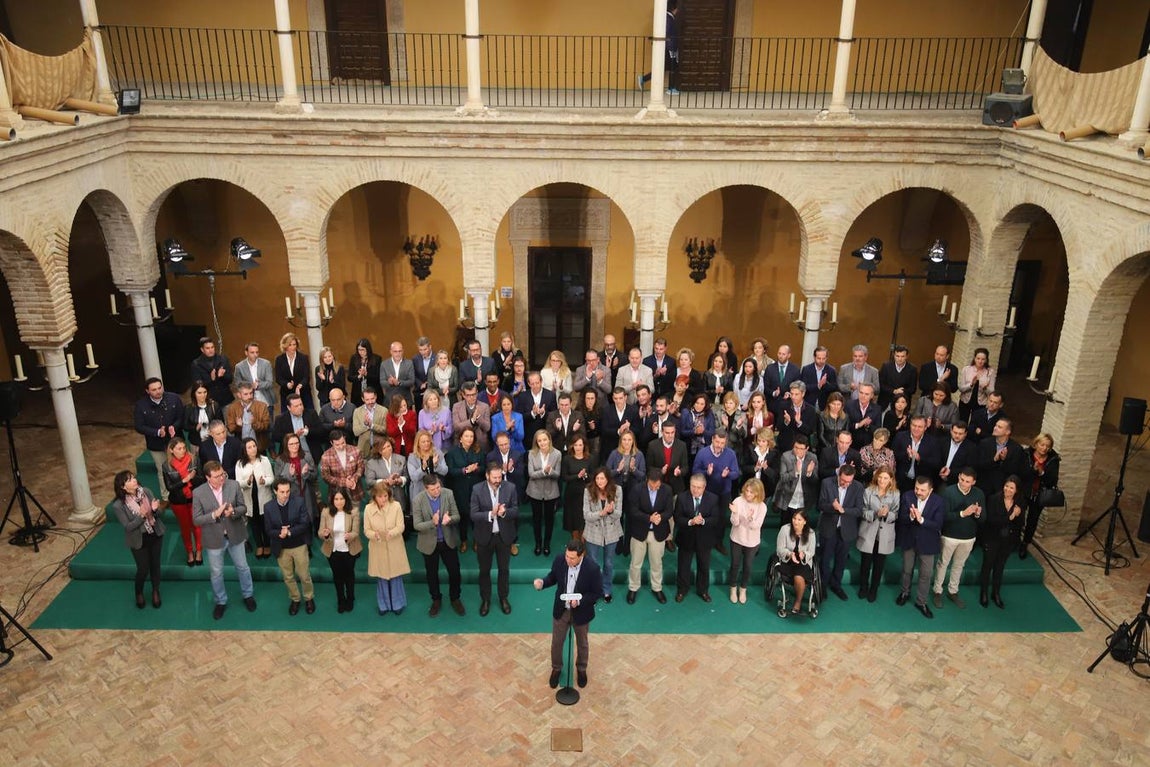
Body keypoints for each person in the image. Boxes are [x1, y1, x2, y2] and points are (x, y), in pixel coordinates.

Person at [534, 539, 605, 689]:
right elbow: (553, 577)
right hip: (562, 610)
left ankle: (581, 669)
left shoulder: (592, 568)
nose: (568, 560)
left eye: (572, 558)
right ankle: (556, 668)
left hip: (581, 612)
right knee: (557, 642)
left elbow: (597, 593)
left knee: (582, 644)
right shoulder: (560, 560)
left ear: (581, 555)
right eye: (567, 556)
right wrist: (542, 583)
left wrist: (579, 601)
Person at [192, 460, 256, 620]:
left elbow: (243, 507)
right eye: (217, 476)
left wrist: (233, 511)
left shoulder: (233, 485)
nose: (221, 478)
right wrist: (215, 514)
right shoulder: (198, 493)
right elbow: (196, 519)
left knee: (243, 567)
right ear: (208, 477)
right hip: (214, 539)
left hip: (235, 534)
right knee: (216, 572)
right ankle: (220, 601)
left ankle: (248, 595)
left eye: (222, 474)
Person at [411, 473, 465, 616]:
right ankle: (436, 599)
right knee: (432, 574)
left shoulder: (448, 493)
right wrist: (432, 522)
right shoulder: (418, 500)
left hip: (448, 541)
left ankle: (455, 598)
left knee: (454, 572)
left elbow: (457, 516)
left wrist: (450, 519)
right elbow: (416, 525)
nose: (437, 491)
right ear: (425, 488)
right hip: (429, 544)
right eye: (433, 489)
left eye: (438, 487)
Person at [470, 463, 519, 616]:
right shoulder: (477, 489)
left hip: (504, 537)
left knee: (504, 570)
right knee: (484, 571)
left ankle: (503, 598)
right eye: (495, 477)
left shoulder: (510, 488)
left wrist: (504, 513)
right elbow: (473, 514)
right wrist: (491, 514)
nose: (498, 480)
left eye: (500, 477)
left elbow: (516, 510)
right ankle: (485, 600)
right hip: (484, 538)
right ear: (487, 476)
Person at [111, 470, 166, 609]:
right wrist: (141, 516)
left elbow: (159, 513)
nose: (134, 480)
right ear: (123, 487)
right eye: (129, 480)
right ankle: (139, 592)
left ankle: (155, 590)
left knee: (155, 564)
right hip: (138, 539)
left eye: (133, 477)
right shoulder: (118, 505)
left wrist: (154, 510)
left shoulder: (146, 491)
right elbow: (128, 527)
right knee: (143, 568)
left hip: (155, 533)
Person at [933, 466, 984, 609]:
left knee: (959, 565)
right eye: (962, 479)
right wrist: (963, 513)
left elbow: (983, 519)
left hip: (968, 537)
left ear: (973, 482)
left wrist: (978, 514)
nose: (963, 483)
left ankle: (953, 591)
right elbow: (944, 516)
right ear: (959, 476)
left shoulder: (979, 494)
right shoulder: (948, 492)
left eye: (967, 481)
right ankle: (937, 590)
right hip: (949, 536)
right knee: (943, 563)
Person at [895, 475, 945, 618]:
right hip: (909, 540)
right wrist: (911, 517)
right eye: (917, 488)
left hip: (928, 543)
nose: (918, 492)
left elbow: (938, 524)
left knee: (925, 574)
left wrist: (921, 519)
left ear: (930, 490)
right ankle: (905, 592)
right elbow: (901, 518)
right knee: (906, 570)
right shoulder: (907, 496)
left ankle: (921, 602)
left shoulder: (939, 501)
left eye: (922, 490)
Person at [263, 478, 315, 615]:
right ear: (275, 491)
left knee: (304, 575)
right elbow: (268, 529)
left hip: (298, 545)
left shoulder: (299, 502)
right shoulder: (268, 507)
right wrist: (280, 533)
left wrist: (289, 532)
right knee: (288, 576)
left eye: (287, 491)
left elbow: (305, 524)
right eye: (282, 492)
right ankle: (295, 599)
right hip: (281, 547)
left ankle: (309, 598)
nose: (285, 494)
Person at [625, 467, 673, 604]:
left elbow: (669, 510)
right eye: (652, 485)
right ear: (647, 481)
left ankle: (657, 588)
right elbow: (632, 511)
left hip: (658, 532)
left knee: (657, 563)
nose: (654, 487)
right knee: (635, 563)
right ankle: (633, 588)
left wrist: (660, 517)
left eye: (657, 485)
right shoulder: (637, 489)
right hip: (639, 532)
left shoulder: (667, 490)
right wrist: (649, 518)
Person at [134, 377, 185, 503]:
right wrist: (156, 432)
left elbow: (181, 416)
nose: (158, 391)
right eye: (154, 390)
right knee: (162, 470)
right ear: (147, 391)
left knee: (182, 466)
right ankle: (166, 496)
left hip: (175, 441)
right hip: (156, 444)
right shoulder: (141, 406)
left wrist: (175, 426)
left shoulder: (174, 398)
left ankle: (185, 491)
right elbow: (139, 426)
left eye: (159, 388)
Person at [817, 464, 864, 601]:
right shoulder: (827, 483)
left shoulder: (858, 487)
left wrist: (843, 510)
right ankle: (822, 586)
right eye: (844, 481)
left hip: (847, 531)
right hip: (828, 528)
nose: (846, 484)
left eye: (849, 481)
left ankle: (836, 585)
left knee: (841, 561)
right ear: (839, 475)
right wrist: (832, 507)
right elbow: (820, 505)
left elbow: (859, 510)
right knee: (825, 560)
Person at [363, 481, 411, 615]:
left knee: (395, 576)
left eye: (385, 496)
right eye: (379, 496)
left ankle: (398, 604)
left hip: (394, 544)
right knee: (382, 577)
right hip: (377, 546)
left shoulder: (396, 506)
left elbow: (401, 526)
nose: (383, 499)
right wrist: (375, 535)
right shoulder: (368, 509)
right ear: (374, 497)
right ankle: (383, 605)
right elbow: (366, 530)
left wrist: (391, 533)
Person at [979, 476, 1025, 608]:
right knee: (987, 566)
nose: (1008, 489)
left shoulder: (1020, 501)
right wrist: (1010, 517)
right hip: (992, 538)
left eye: (1012, 488)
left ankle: (996, 593)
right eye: (1007, 486)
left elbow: (1021, 523)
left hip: (1008, 541)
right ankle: (984, 593)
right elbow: (991, 520)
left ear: (1016, 490)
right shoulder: (993, 499)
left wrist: (1018, 515)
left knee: (1000, 567)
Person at [673, 473, 719, 603]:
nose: (696, 490)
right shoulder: (682, 498)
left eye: (699, 487)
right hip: (686, 538)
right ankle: (682, 590)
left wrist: (702, 521)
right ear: (690, 485)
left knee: (704, 566)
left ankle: (703, 590)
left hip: (705, 539)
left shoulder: (713, 498)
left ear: (704, 487)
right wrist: (691, 522)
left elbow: (715, 519)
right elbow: (677, 518)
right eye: (693, 486)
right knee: (683, 566)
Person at [856, 467, 900, 603]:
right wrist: (876, 514)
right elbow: (862, 511)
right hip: (869, 531)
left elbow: (896, 514)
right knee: (865, 563)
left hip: (885, 533)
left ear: (891, 479)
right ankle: (863, 587)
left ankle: (874, 589)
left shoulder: (896, 493)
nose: (882, 480)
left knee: (879, 565)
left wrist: (887, 514)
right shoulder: (868, 491)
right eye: (880, 477)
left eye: (886, 478)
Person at [693, 430, 740, 554]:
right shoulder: (703, 453)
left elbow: (736, 473)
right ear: (712, 439)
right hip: (707, 492)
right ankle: (704, 541)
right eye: (717, 442)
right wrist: (706, 473)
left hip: (724, 492)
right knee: (705, 516)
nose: (719, 445)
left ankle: (718, 542)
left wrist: (728, 474)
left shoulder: (731, 454)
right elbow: (695, 471)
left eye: (722, 443)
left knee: (721, 519)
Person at [582, 467, 623, 602]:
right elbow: (586, 515)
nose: (600, 481)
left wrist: (610, 512)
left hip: (611, 532)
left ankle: (607, 590)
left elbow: (618, 514)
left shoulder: (617, 490)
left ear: (608, 479)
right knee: (593, 564)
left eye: (603, 478)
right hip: (593, 532)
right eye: (597, 478)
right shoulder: (588, 491)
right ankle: (594, 591)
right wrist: (601, 513)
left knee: (608, 563)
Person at [318, 487, 362, 613]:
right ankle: (340, 600)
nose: (339, 502)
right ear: (332, 500)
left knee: (349, 575)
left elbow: (356, 532)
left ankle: (350, 598)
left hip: (349, 549)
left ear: (346, 499)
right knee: (337, 577)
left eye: (341, 498)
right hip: (333, 550)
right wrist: (325, 534)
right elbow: (320, 532)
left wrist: (350, 535)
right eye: (336, 499)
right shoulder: (326, 512)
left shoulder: (353, 511)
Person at [161, 437, 203, 567]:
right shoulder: (166, 466)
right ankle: (190, 552)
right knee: (185, 528)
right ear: (172, 450)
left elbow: (202, 480)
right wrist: (184, 481)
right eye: (179, 448)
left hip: (194, 498)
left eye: (184, 447)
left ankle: (199, 551)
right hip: (178, 502)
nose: (183, 450)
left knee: (197, 526)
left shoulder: (194, 459)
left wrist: (193, 478)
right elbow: (170, 488)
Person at [727, 477, 768, 605]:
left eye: (752, 492)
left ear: (758, 493)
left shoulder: (762, 506)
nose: (748, 494)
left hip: (752, 541)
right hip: (737, 538)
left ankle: (743, 589)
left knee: (748, 566)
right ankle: (733, 588)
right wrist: (734, 513)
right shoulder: (738, 501)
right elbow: (735, 523)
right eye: (747, 491)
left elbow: (756, 526)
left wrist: (749, 518)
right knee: (735, 564)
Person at [1020, 432, 1061, 558]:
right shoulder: (1026, 454)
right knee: (1018, 516)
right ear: (1036, 443)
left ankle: (1025, 543)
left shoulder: (1053, 460)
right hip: (1025, 491)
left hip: (1039, 494)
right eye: (1042, 445)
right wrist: (1033, 470)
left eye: (1047, 446)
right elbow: (1021, 473)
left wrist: (1042, 472)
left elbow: (1053, 480)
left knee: (1032, 520)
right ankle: (1013, 540)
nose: (1044, 448)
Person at [446, 427, 485, 554]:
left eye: (471, 436)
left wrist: (476, 469)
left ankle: (476, 540)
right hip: (460, 488)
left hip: (476, 488)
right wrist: (464, 470)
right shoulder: (452, 453)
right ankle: (463, 540)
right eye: (466, 436)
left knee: (476, 515)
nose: (469, 439)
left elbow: (484, 468)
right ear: (461, 438)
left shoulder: (479, 451)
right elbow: (450, 471)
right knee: (462, 515)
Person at [236, 436, 275, 560]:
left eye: (254, 446)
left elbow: (271, 478)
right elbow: (238, 483)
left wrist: (265, 481)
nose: (253, 449)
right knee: (254, 524)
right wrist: (247, 482)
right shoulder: (239, 464)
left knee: (265, 523)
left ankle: (267, 544)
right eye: (249, 447)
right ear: (244, 450)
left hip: (264, 497)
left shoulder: (264, 460)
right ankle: (259, 545)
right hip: (249, 499)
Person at [527, 429, 562, 556]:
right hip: (534, 491)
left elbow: (557, 475)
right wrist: (544, 472)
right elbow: (531, 474)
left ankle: (546, 544)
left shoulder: (557, 454)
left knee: (549, 520)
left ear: (549, 440)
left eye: (544, 440)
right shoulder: (531, 453)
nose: (542, 443)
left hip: (551, 492)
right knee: (536, 519)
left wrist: (550, 472)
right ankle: (538, 543)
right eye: (539, 440)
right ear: (536, 442)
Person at [776, 509, 817, 616]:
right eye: (794, 518)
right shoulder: (785, 529)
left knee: (799, 575)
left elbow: (811, 552)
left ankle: (798, 602)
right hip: (788, 561)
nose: (796, 522)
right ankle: (798, 601)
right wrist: (790, 554)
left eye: (799, 519)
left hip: (803, 562)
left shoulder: (811, 533)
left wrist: (804, 554)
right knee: (796, 574)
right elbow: (779, 549)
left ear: (805, 521)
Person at [273, 433, 318, 529]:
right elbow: (277, 482)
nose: (295, 446)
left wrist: (306, 474)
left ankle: (309, 540)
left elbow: (315, 476)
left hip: (307, 494)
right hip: (291, 496)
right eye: (291, 444)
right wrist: (290, 475)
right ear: (286, 445)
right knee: (295, 521)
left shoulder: (307, 456)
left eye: (297, 443)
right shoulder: (280, 460)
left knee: (309, 519)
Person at [773, 434, 818, 523]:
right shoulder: (786, 456)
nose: (797, 451)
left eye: (801, 449)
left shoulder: (812, 458)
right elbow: (783, 478)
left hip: (803, 500)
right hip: (787, 498)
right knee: (785, 527)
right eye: (796, 447)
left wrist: (809, 473)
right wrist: (796, 472)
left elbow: (815, 480)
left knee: (800, 530)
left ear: (807, 448)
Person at [638, 0, 680, 94]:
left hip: (668, 47)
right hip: (669, 47)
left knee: (664, 67)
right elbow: (666, 32)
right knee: (671, 67)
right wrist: (670, 46)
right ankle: (671, 88)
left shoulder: (667, 17)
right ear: (674, 9)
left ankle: (644, 79)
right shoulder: (668, 18)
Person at [975, 418, 1026, 495]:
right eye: (995, 425)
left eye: (999, 427)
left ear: (1008, 432)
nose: (995, 428)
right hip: (983, 487)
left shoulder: (1016, 448)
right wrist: (994, 459)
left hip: (1002, 490)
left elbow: (1016, 471)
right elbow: (978, 465)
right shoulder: (984, 443)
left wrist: (1004, 460)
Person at [892, 415, 942, 493]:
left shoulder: (933, 442)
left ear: (925, 428)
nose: (916, 429)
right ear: (910, 425)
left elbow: (936, 463)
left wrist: (919, 459)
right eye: (914, 425)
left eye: (920, 427)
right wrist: (906, 455)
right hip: (901, 481)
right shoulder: (900, 436)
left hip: (921, 483)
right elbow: (893, 456)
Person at [270, 393, 324, 461]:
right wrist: (293, 436)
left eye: (301, 404)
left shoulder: (311, 414)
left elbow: (321, 431)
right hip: (290, 457)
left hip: (311, 454)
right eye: (296, 406)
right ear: (289, 407)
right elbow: (276, 437)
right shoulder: (281, 419)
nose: (300, 407)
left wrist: (308, 432)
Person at [365, 436, 409, 519]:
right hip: (381, 499)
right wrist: (384, 481)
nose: (388, 449)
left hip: (399, 498)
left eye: (389, 446)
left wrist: (400, 480)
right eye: (384, 448)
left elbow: (407, 477)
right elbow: (369, 481)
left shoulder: (401, 459)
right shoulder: (371, 463)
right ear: (379, 451)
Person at [320, 429, 365, 506]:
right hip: (337, 494)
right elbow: (326, 477)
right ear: (331, 443)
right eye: (337, 445)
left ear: (344, 438)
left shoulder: (355, 450)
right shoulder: (326, 456)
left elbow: (361, 468)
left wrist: (354, 478)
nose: (341, 446)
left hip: (355, 491)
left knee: (355, 515)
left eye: (343, 443)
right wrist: (344, 482)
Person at [224, 382, 271, 454]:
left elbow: (266, 426)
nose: (249, 396)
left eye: (251, 393)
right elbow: (230, 428)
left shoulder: (262, 406)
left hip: (259, 446)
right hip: (241, 446)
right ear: (239, 395)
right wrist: (238, 426)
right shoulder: (232, 408)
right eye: (246, 394)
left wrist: (255, 423)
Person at [562, 435, 593, 541]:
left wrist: (585, 476)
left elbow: (594, 477)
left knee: (583, 521)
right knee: (573, 521)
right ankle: (575, 544)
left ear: (584, 446)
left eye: (580, 445)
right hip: (571, 495)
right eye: (576, 445)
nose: (578, 447)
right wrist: (577, 476)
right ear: (572, 446)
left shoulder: (590, 459)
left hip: (585, 495)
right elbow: (564, 477)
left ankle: (582, 546)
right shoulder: (567, 459)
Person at [516, 370, 558, 448]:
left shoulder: (550, 395)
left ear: (541, 382)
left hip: (546, 434)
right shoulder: (522, 396)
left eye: (537, 383)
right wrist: (532, 413)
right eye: (532, 384)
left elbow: (554, 415)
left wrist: (543, 413)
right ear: (528, 384)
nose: (535, 386)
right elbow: (519, 416)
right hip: (529, 436)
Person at [774, 381, 817, 453]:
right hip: (785, 446)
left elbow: (810, 431)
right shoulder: (783, 406)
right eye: (792, 394)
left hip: (802, 448)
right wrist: (786, 422)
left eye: (796, 394)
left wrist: (799, 423)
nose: (793, 397)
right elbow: (778, 427)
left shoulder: (810, 409)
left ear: (803, 394)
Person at [190, 337, 233, 408]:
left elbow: (230, 379)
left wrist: (222, 376)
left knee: (228, 418)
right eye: (207, 348)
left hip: (225, 399)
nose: (211, 350)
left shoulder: (223, 359)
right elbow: (197, 385)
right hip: (209, 400)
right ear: (202, 350)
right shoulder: (196, 364)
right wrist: (211, 380)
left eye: (212, 347)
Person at [274, 332, 311, 413]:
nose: (292, 347)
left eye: (294, 344)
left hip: (303, 393)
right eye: (290, 345)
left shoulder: (303, 358)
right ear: (284, 345)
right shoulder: (279, 359)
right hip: (286, 394)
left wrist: (300, 386)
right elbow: (278, 378)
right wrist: (287, 384)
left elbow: (306, 376)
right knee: (287, 419)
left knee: (307, 415)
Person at [957, 347, 996, 423]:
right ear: (974, 358)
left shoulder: (990, 372)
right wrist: (971, 384)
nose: (980, 361)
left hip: (981, 402)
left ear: (986, 360)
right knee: (962, 422)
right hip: (965, 401)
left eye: (983, 359)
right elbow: (961, 388)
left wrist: (985, 388)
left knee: (976, 423)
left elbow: (992, 392)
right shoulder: (966, 369)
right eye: (978, 358)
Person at [234, 342, 276, 409]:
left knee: (269, 419)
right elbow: (238, 384)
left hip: (266, 401)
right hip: (248, 403)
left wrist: (258, 385)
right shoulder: (239, 367)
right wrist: (251, 386)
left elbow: (270, 382)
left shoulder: (266, 364)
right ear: (246, 353)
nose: (255, 355)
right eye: (252, 352)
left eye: (257, 352)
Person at [453, 381, 492, 452]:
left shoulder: (484, 406)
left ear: (477, 393)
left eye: (474, 394)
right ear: (463, 395)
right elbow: (456, 427)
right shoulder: (456, 407)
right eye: (468, 395)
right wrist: (471, 421)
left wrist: (478, 418)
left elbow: (487, 428)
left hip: (480, 445)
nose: (471, 397)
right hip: (461, 445)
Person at [600, 387, 638, 460]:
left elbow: (638, 430)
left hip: (629, 450)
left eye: (620, 398)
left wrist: (628, 429)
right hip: (610, 449)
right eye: (616, 398)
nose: (618, 401)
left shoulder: (633, 410)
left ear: (625, 397)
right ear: (613, 398)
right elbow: (604, 430)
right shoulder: (606, 410)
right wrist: (618, 431)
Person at [183, 380, 223, 449]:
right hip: (196, 443)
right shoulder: (189, 408)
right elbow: (185, 425)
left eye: (205, 392)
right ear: (194, 394)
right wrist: (195, 427)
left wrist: (213, 429)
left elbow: (221, 422)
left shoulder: (214, 405)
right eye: (199, 393)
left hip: (213, 441)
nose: (203, 395)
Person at [878, 345, 918, 413]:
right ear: (894, 355)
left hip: (903, 403)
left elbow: (913, 389)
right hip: (885, 402)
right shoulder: (886, 366)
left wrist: (901, 392)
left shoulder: (912, 369)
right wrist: (894, 391)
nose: (900, 359)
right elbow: (881, 384)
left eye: (902, 356)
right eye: (897, 356)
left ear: (907, 356)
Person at [740, 428, 779, 499]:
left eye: (763, 441)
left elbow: (775, 475)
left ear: (769, 441)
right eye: (759, 440)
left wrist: (766, 468)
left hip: (765, 490)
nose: (760, 443)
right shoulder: (749, 449)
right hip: (748, 488)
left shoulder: (774, 453)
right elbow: (743, 468)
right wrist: (754, 468)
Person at [351, 387, 387, 458]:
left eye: (372, 398)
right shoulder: (357, 411)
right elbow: (356, 432)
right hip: (363, 449)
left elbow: (386, 430)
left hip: (379, 448)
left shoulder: (384, 411)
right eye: (367, 399)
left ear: (376, 397)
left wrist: (372, 425)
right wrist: (366, 425)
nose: (370, 402)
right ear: (363, 399)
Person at [763, 343, 801, 411]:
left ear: (789, 355)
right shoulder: (770, 368)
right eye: (779, 353)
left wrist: (790, 394)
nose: (780, 356)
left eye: (783, 354)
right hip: (772, 406)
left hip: (788, 406)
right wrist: (774, 393)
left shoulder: (795, 370)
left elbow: (797, 387)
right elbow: (765, 387)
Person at [680, 393, 715, 463]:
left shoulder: (709, 414)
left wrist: (703, 431)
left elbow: (712, 432)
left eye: (702, 404)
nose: (699, 406)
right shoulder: (686, 412)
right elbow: (682, 431)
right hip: (688, 447)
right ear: (693, 403)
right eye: (697, 403)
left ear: (705, 405)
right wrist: (694, 432)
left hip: (704, 447)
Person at [800, 345, 838, 410]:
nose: (821, 361)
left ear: (826, 358)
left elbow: (835, 387)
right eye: (819, 358)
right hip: (809, 404)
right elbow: (803, 387)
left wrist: (825, 384)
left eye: (823, 358)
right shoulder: (806, 369)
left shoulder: (831, 370)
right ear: (814, 357)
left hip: (825, 405)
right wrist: (818, 385)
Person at [347, 338, 382, 407]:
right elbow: (349, 377)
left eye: (363, 350)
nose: (360, 352)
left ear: (368, 349)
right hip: (358, 394)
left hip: (373, 392)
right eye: (359, 350)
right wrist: (359, 376)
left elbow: (378, 377)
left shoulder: (377, 359)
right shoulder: (354, 358)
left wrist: (366, 374)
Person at [845, 382, 882, 450]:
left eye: (866, 394)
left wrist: (868, 425)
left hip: (868, 447)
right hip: (851, 445)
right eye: (861, 393)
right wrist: (858, 425)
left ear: (872, 395)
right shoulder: (849, 405)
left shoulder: (877, 409)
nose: (863, 396)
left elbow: (878, 429)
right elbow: (845, 426)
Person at [380, 340, 416, 408]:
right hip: (390, 401)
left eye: (400, 351)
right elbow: (382, 382)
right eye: (395, 351)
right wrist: (389, 382)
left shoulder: (409, 363)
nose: (398, 353)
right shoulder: (384, 364)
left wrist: (399, 382)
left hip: (406, 400)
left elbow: (411, 381)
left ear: (403, 351)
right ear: (391, 351)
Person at [713, 391, 748, 459]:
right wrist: (724, 426)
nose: (728, 405)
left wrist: (738, 427)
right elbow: (715, 432)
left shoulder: (742, 415)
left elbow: (744, 435)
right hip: (720, 446)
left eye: (731, 403)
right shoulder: (718, 414)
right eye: (726, 403)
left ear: (736, 404)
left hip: (736, 447)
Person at [320, 386, 355, 451]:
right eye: (333, 400)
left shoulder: (352, 407)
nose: (336, 402)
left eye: (338, 399)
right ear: (329, 398)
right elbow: (320, 426)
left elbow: (356, 427)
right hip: (329, 442)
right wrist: (333, 425)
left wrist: (345, 425)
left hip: (348, 440)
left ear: (343, 397)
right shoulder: (324, 409)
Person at [411, 336, 436, 407]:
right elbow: (413, 374)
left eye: (425, 349)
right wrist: (420, 384)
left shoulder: (437, 357)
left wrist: (428, 384)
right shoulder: (415, 358)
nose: (422, 352)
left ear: (430, 347)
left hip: (433, 391)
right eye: (420, 350)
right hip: (419, 391)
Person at [578, 389, 602, 461]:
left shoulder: (600, 410)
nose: (590, 401)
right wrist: (589, 427)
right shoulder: (578, 410)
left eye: (592, 398)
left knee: (596, 442)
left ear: (595, 399)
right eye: (588, 398)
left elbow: (602, 427)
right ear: (584, 399)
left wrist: (593, 428)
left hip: (595, 437)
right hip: (582, 437)